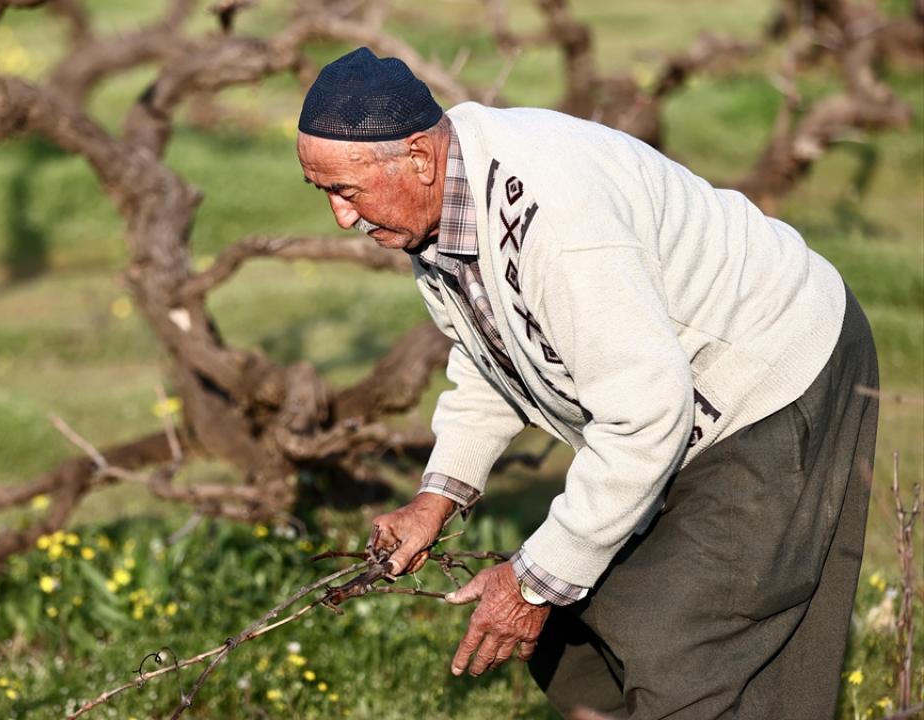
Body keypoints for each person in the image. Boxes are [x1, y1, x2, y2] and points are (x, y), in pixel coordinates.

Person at [295, 47, 879, 719]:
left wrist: (531, 586)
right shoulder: (437, 214)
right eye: (326, 193)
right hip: (665, 397)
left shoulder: (561, 226)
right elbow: (491, 358)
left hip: (768, 370)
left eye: (347, 190)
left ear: (420, 157)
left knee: (686, 651)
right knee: (576, 636)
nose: (343, 217)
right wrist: (438, 496)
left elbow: (646, 419)